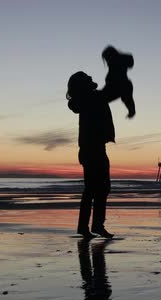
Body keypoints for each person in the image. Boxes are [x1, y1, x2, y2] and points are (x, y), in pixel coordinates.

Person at [66, 71, 133, 238]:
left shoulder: (89, 97)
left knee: (94, 189)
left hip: (92, 149)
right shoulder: (91, 97)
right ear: (82, 84)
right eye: (87, 77)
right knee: (99, 189)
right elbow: (111, 92)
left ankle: (88, 226)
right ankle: (94, 225)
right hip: (93, 149)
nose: (90, 77)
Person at [102, 45, 136, 118]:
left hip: (116, 88)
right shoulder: (114, 68)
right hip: (113, 88)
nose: (107, 61)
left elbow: (128, 98)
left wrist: (131, 110)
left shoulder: (122, 81)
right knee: (98, 100)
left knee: (98, 101)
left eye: (107, 58)